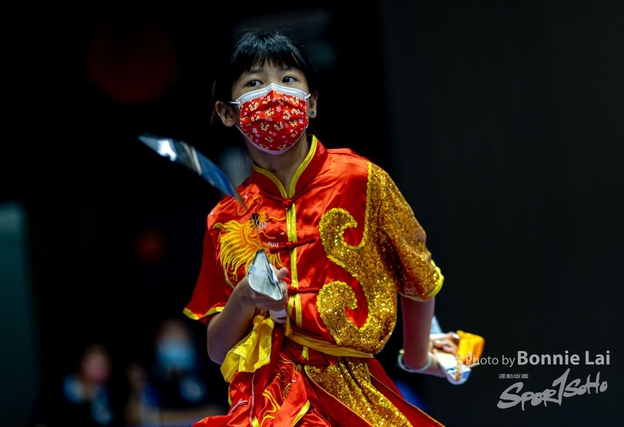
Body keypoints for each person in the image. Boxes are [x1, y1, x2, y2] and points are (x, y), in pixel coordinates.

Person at [183, 28, 453, 426]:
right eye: (254, 83)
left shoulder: (361, 180)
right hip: (269, 401)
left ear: (310, 104)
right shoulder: (224, 219)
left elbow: (418, 277)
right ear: (228, 112)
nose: (273, 93)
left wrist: (417, 358)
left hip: (356, 389)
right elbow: (217, 349)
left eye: (288, 79)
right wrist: (244, 298)